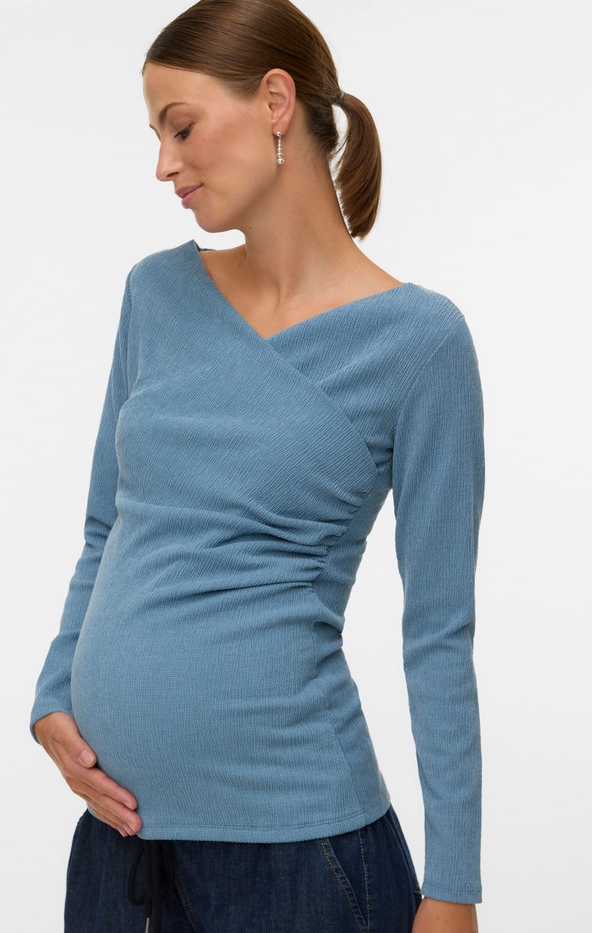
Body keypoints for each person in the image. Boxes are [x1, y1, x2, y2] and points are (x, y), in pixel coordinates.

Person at [31, 1, 484, 931]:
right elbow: (108, 524)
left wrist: (454, 884)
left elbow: (438, 631)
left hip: (298, 858)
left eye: (181, 127)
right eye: (157, 136)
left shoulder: (419, 343)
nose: (164, 165)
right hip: (118, 843)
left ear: (276, 102)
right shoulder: (155, 292)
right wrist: (52, 696)